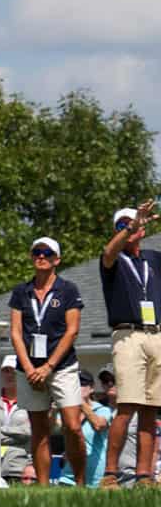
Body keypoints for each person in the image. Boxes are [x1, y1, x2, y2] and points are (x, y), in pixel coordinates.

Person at [9, 235, 85, 487]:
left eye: (47, 253)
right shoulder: (21, 291)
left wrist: (48, 366)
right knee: (39, 428)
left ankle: (80, 483)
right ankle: (42, 489)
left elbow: (72, 330)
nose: (41, 257)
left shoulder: (68, 290)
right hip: (29, 368)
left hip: (61, 366)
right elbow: (16, 332)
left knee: (73, 426)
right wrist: (31, 368)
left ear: (57, 259)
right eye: (37, 253)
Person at [98, 201, 161, 488]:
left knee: (151, 408)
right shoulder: (112, 261)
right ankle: (110, 474)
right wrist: (129, 228)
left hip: (157, 334)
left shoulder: (152, 258)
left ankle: (145, 476)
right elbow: (110, 251)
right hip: (128, 335)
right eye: (123, 225)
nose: (132, 228)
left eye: (135, 224)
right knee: (127, 405)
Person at [0, 359, 32, 482]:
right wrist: (17, 435)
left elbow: (28, 433)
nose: (10, 375)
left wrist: (0, 430)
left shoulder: (31, 402)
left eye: (14, 371)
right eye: (6, 371)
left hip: (21, 468)